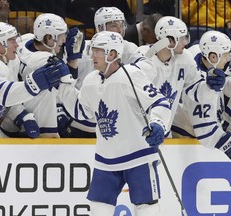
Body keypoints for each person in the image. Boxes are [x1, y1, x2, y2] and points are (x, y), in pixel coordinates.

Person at [53, 31, 172, 216]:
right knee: (99, 207)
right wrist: (63, 85)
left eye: (98, 51)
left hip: (138, 154)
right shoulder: (91, 80)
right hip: (106, 158)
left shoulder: (132, 75)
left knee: (147, 208)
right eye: (93, 50)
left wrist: (158, 124)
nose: (92, 55)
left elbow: (160, 102)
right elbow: (81, 111)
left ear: (112, 54)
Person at [134, 16, 226, 135]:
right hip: (140, 132)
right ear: (170, 40)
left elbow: (195, 92)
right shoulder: (141, 56)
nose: (185, 42)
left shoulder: (185, 58)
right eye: (182, 38)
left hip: (165, 132)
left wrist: (209, 86)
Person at [1, 13, 84, 137]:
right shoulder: (46, 61)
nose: (64, 40)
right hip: (33, 121)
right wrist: (73, 59)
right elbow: (67, 90)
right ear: (49, 37)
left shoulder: (24, 40)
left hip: (12, 114)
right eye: (61, 36)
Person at [69, 6, 140, 138]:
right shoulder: (82, 51)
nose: (120, 30)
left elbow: (146, 72)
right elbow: (67, 83)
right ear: (100, 28)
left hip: (117, 126)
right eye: (114, 25)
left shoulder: (130, 49)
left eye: (122, 25)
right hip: (83, 125)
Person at [172, 30, 231, 159]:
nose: (229, 59)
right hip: (183, 138)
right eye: (227, 55)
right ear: (213, 57)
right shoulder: (200, 87)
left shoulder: (195, 52)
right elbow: (207, 134)